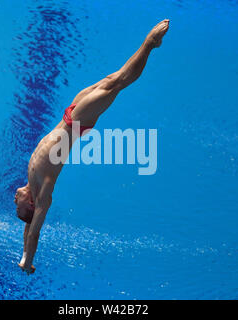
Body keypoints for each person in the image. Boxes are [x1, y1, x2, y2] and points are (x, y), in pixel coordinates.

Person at [14, 19, 170, 274]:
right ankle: (151, 43)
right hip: (77, 122)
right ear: (30, 205)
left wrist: (23, 253)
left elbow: (26, 231)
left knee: (111, 79)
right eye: (17, 206)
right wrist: (27, 260)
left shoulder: (31, 180)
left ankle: (150, 44)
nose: (13, 199)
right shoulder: (43, 192)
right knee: (118, 82)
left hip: (70, 113)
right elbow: (33, 232)